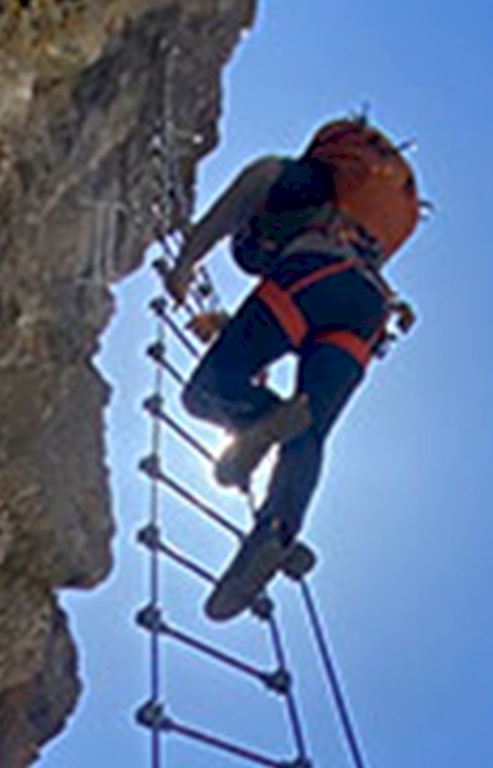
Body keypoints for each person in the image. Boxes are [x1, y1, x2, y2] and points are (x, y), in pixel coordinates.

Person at [161, 116, 423, 621]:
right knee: (310, 430)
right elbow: (312, 297)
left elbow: (226, 219)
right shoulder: (353, 217)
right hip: (367, 312)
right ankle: (276, 535)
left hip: (311, 279)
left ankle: (261, 422)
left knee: (207, 393)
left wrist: (184, 263)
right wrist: (230, 325)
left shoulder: (282, 176)